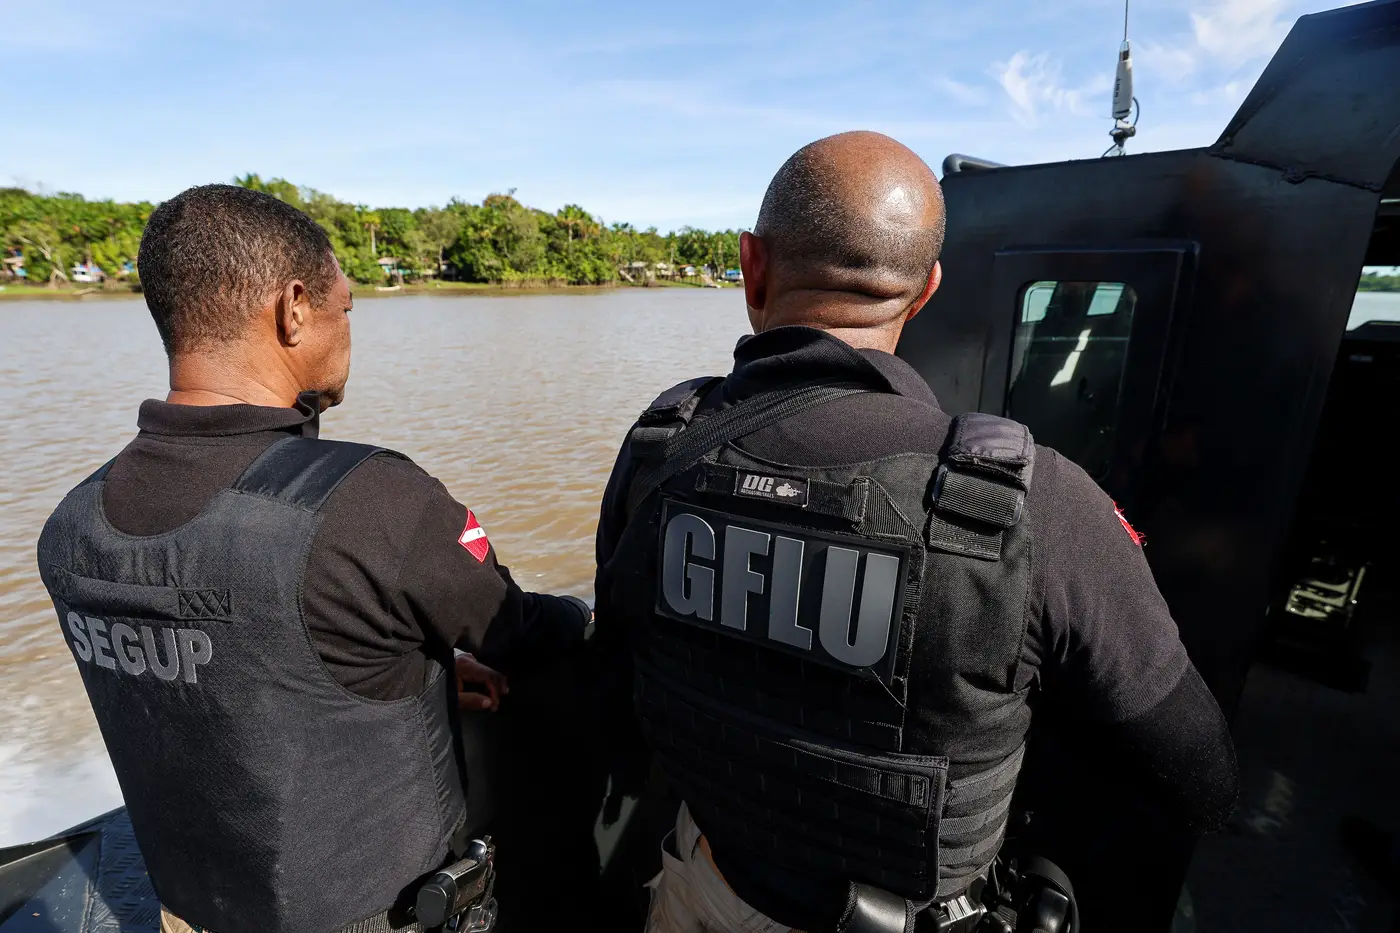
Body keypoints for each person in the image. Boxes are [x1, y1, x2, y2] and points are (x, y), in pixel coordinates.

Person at [592, 132, 1239, 933]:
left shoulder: (660, 450)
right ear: (926, 289)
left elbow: (617, 664)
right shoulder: (1036, 504)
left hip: (703, 891)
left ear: (751, 266)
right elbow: (1202, 779)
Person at [36, 184, 591, 933]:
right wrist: (588, 616)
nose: (350, 330)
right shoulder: (373, 501)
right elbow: (515, 631)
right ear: (294, 309)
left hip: (187, 911)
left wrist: (413, 674)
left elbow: (235, 667)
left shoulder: (72, 523)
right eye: (347, 308)